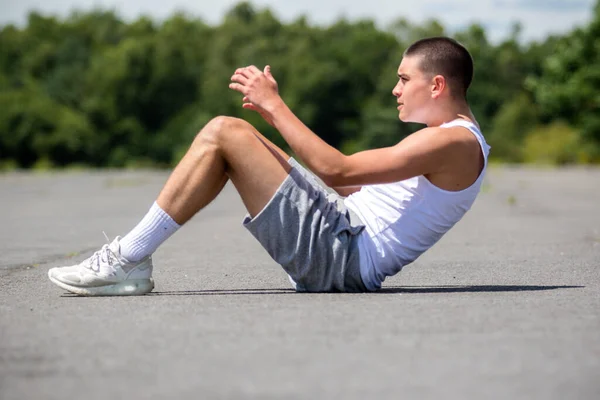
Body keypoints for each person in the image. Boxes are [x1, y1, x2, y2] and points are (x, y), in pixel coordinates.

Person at [47, 36, 490, 296]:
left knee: (224, 130)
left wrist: (275, 106)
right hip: (343, 238)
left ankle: (126, 261)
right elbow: (352, 188)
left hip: (344, 258)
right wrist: (266, 149)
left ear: (436, 84)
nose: (395, 89)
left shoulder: (453, 142)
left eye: (403, 78)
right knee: (237, 137)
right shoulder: (446, 139)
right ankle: (130, 261)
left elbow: (338, 172)